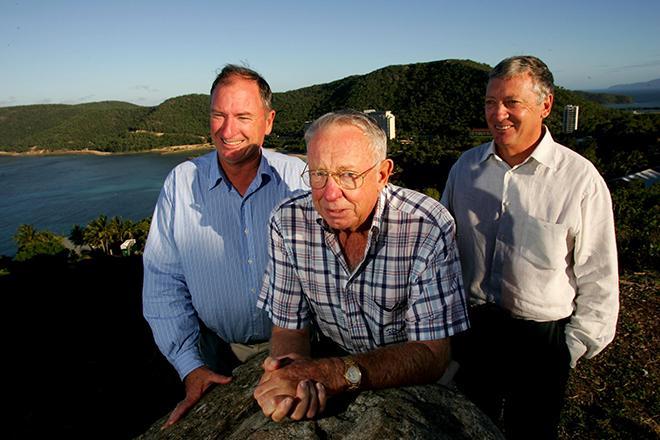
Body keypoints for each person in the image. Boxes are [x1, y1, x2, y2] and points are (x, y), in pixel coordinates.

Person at [441, 55, 619, 440]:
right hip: (475, 330)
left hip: (541, 339)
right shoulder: (465, 168)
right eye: (490, 102)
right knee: (470, 428)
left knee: (533, 432)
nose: (498, 113)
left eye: (511, 102)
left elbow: (599, 276)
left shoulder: (578, 180)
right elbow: (444, 250)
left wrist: (568, 350)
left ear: (546, 105)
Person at [254, 109, 470, 422]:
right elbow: (289, 325)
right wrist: (294, 375)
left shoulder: (425, 227)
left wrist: (335, 372)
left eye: (347, 175)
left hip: (414, 379)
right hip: (333, 359)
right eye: (318, 174)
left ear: (383, 174)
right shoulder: (287, 222)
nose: (330, 194)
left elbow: (433, 353)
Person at [142, 65, 307, 428]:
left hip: (299, 349)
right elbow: (162, 284)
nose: (228, 130)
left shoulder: (299, 179)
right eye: (219, 115)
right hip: (215, 355)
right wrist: (190, 367)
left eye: (243, 117)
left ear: (269, 121)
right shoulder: (182, 184)